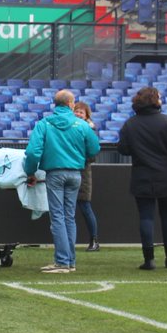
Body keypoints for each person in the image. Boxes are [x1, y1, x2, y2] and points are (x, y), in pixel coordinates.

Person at [116, 86, 167, 270]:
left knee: (146, 217)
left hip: (142, 176)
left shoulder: (130, 124)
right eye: (159, 97)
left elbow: (123, 149)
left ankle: (149, 259)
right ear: (154, 100)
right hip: (166, 177)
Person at [24, 90, 101, 274]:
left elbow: (33, 152)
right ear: (70, 104)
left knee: (57, 217)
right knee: (69, 217)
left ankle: (62, 261)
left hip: (55, 174)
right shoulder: (81, 125)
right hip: (75, 174)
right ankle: (70, 261)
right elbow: (94, 148)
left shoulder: (44, 124)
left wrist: (31, 172)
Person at [73, 101, 100, 252]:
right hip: (71, 170)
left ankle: (94, 240)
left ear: (86, 116)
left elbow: (92, 154)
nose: (78, 114)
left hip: (83, 173)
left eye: (81, 112)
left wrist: (77, 158)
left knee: (85, 206)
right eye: (76, 111)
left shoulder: (89, 131)